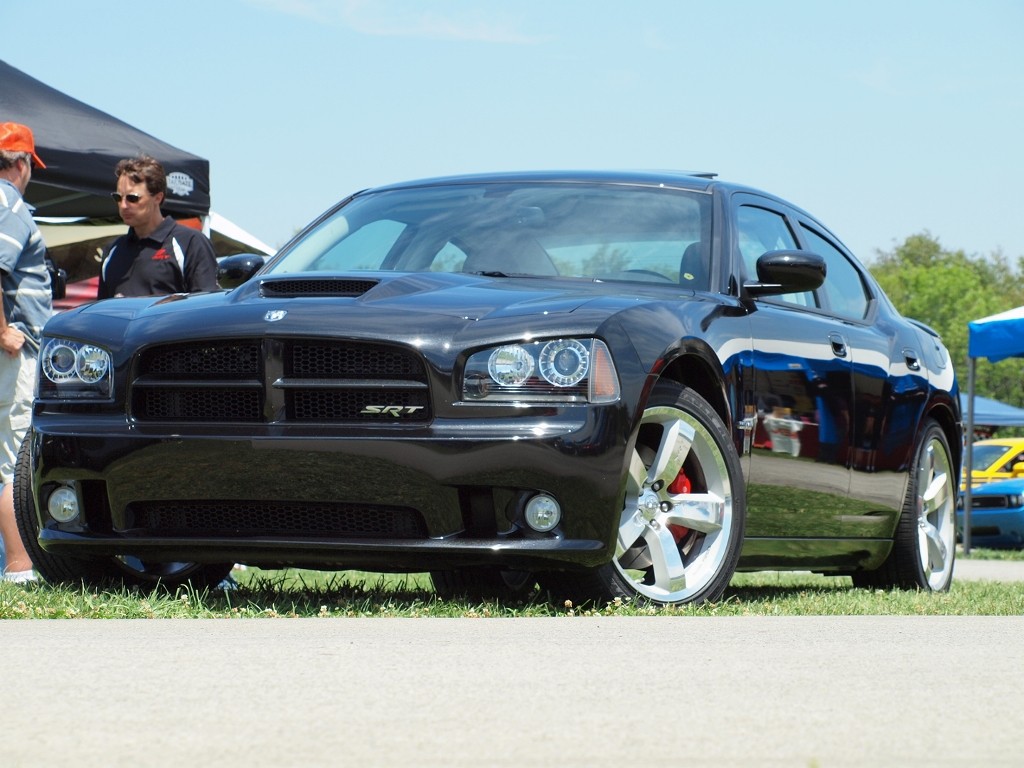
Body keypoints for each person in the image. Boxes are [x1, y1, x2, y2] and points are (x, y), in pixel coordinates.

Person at [0, 123, 52, 583]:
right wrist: (2, 331)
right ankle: (20, 568)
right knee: (15, 460)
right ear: (20, 163)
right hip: (13, 354)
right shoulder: (9, 203)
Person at [98, 155, 218, 299]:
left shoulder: (191, 243)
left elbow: (206, 308)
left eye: (133, 198)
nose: (123, 205)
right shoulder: (112, 251)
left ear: (158, 198)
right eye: (118, 198)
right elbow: (102, 312)